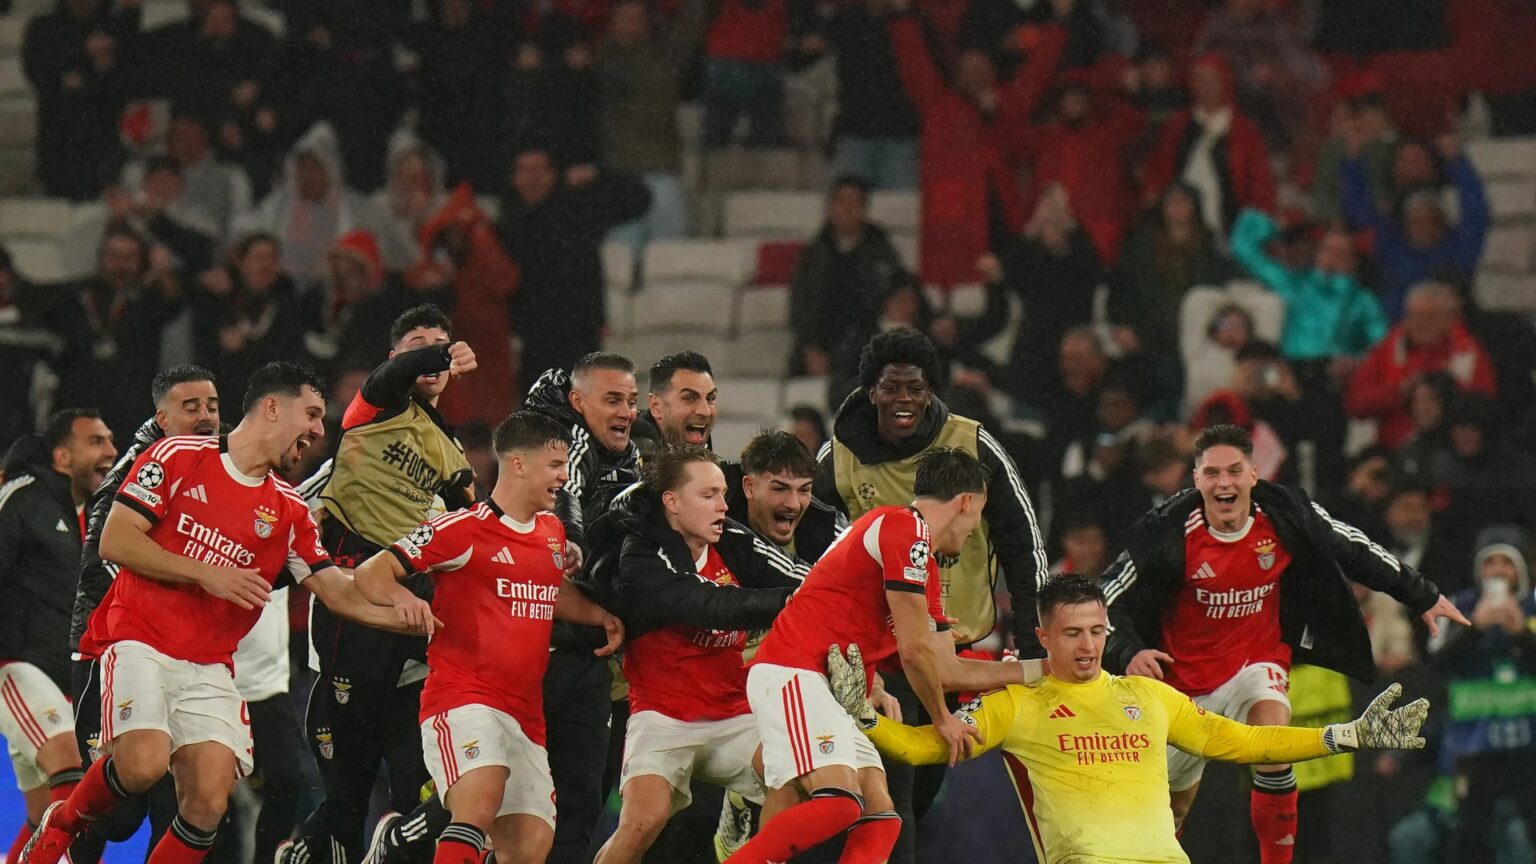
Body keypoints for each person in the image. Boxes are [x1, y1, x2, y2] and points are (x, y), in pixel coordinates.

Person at [21, 362, 434, 864]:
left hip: (210, 665)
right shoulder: (175, 455)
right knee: (140, 768)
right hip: (139, 640)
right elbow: (116, 539)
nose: (316, 431)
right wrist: (205, 572)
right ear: (272, 407)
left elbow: (337, 592)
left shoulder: (289, 511)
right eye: (310, 414)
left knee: (208, 803)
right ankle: (58, 824)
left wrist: (410, 617)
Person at [823, 573, 1435, 864]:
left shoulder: (1148, 697)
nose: (1087, 646)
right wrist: (863, 720)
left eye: (1096, 630)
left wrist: (1346, 735)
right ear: (1043, 636)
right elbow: (930, 748)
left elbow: (1246, 740)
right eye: (1072, 634)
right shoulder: (1017, 702)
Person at [1097, 423, 1467, 864]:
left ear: (1254, 473)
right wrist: (1131, 651)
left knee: (1271, 742)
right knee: (1170, 812)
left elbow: (1352, 546)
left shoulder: (1287, 515)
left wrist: (1421, 593)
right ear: (1196, 480)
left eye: (1234, 470)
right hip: (1184, 684)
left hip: (1258, 662)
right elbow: (1101, 603)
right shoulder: (1166, 533)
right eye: (1212, 473)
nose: (1224, 483)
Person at [726, 448, 1040, 863]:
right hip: (794, 671)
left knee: (881, 816)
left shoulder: (919, 563)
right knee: (839, 802)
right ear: (966, 501)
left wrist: (1042, 670)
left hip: (826, 687)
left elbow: (944, 668)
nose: (974, 529)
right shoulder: (901, 526)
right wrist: (942, 718)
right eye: (978, 513)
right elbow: (914, 652)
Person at [353, 411, 623, 864]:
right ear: (518, 465)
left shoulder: (552, 533)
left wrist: (600, 614)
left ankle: (401, 843)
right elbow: (370, 572)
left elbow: (549, 591)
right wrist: (402, 599)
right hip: (463, 698)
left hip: (526, 712)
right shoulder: (463, 529)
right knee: (478, 804)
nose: (564, 477)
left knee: (529, 846)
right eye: (555, 465)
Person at [285, 305, 478, 864]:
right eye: (419, 342)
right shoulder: (375, 406)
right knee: (345, 800)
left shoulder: (450, 449)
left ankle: (393, 841)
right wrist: (442, 351)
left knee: (433, 787)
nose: (433, 351)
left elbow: (481, 524)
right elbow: (393, 376)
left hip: (410, 617)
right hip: (352, 599)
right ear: (397, 356)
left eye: (441, 342)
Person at [590, 445, 806, 864]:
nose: (724, 506)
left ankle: (744, 844)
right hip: (663, 714)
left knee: (795, 779)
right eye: (708, 495)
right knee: (640, 824)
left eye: (724, 494)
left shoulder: (733, 540)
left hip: (735, 713)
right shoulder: (641, 559)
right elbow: (708, 605)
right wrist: (792, 600)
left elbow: (803, 578)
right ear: (671, 502)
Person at [68, 365, 219, 864]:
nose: (205, 417)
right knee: (115, 814)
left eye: (212, 407)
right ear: (162, 416)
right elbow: (97, 564)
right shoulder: (140, 467)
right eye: (190, 408)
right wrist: (160, 617)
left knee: (176, 799)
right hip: (109, 649)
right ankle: (61, 834)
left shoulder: (217, 468)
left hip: (181, 656)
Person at [816, 328, 1046, 651]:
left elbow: (1023, 546)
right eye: (891, 388)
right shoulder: (839, 458)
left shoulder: (974, 446)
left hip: (966, 642)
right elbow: (814, 555)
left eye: (915, 388)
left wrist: (1030, 641)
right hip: (880, 650)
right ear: (871, 392)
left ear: (930, 393)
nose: (904, 398)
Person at [521, 355, 643, 864]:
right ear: (578, 403)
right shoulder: (564, 445)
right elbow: (561, 496)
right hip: (529, 654)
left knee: (580, 806)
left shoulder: (632, 461)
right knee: (504, 804)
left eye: (632, 402)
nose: (627, 412)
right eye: (613, 400)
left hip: (588, 656)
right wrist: (570, 537)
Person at [0, 411, 116, 863]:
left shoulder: (97, 516)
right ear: (63, 456)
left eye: (111, 440)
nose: (109, 450)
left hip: (70, 678)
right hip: (17, 666)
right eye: (96, 441)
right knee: (70, 773)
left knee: (42, 814)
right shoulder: (21, 497)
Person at [497, 147, 650, 386]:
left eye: (538, 170)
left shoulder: (578, 209)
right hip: (532, 337)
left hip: (579, 331)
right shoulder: (506, 224)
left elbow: (639, 199)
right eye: (524, 171)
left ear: (553, 174)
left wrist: (598, 175)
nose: (531, 179)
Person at [787, 176, 918, 400]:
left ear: (865, 209)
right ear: (830, 207)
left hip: (866, 343)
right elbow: (800, 306)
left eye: (855, 203)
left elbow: (900, 289)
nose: (847, 209)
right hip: (823, 344)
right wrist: (811, 349)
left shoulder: (881, 251)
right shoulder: (814, 254)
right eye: (841, 202)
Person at [1341, 133, 1490, 321]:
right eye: (1416, 221)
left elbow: (1476, 213)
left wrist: (1458, 162)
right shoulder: (1391, 244)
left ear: (1443, 220)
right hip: (1398, 337)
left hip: (1448, 337)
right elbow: (1356, 210)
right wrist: (1353, 162)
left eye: (1431, 220)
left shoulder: (1460, 249)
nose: (1423, 226)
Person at [1228, 208, 1387, 372]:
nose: (1330, 259)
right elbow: (1243, 248)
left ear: (1354, 263)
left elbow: (1383, 350)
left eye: (1339, 253)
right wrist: (1278, 228)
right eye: (1326, 250)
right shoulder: (1295, 283)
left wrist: (1355, 363)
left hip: (1334, 379)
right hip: (1290, 374)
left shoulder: (1363, 301)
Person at [1345, 281, 1497, 450]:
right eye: (1413, 316)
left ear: (1450, 318)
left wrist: (1442, 392)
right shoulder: (1388, 348)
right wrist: (1399, 392)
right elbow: (1356, 403)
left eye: (1430, 316)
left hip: (1450, 453)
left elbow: (1483, 409)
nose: (1420, 324)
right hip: (1393, 450)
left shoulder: (1468, 353)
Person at [728, 430, 846, 562]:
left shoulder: (833, 532)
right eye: (780, 489)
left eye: (804, 490)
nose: (794, 504)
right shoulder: (717, 527)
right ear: (749, 487)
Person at [638, 351, 719, 447]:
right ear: (656, 407)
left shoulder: (698, 438)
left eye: (710, 398)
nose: (705, 412)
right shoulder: (634, 449)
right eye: (690, 398)